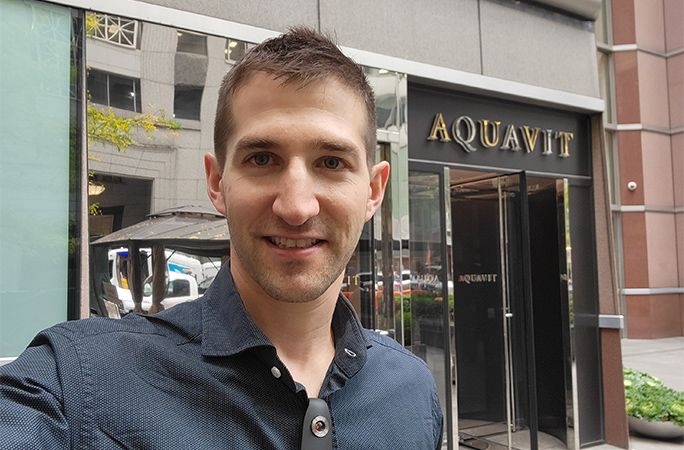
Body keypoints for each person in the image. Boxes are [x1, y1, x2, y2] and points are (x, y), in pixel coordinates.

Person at [0, 27, 443, 449]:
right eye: (263, 158)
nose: (296, 207)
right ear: (216, 183)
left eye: (331, 163)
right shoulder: (79, 383)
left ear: (373, 190)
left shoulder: (412, 392)